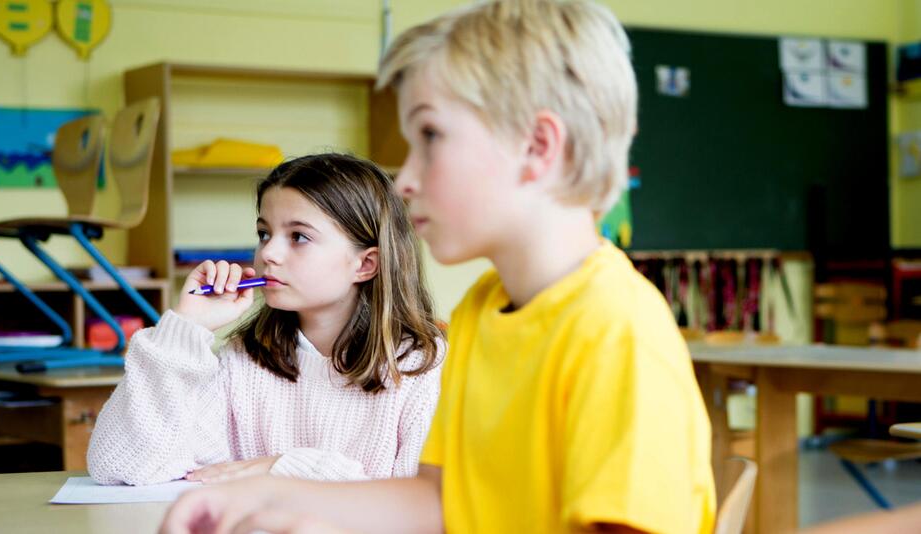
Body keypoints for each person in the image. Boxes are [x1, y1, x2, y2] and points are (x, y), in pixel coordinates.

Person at [161, 1, 715, 532]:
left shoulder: (615, 329)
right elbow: (440, 503)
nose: (405, 179)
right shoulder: (481, 309)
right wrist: (264, 495)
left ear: (537, 146)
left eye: (430, 136)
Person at [87, 153, 444, 486]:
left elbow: (418, 506)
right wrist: (187, 327)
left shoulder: (423, 368)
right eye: (264, 233)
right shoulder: (244, 361)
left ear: (365, 264)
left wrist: (282, 466)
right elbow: (120, 466)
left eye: (299, 237)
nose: (267, 253)